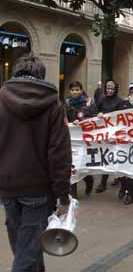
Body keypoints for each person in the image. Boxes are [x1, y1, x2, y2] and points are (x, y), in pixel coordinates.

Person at [0, 56, 72, 272]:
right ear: (41, 75)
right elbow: (59, 154)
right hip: (38, 190)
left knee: (25, 246)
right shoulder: (54, 106)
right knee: (27, 251)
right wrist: (62, 194)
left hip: (7, 186)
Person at [65, 81, 98, 199]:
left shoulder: (89, 102)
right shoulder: (67, 103)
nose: (75, 92)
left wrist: (82, 120)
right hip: (72, 139)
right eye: (72, 90)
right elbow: (63, 118)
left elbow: (94, 119)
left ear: (81, 90)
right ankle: (72, 193)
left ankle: (88, 180)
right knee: (72, 165)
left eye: (77, 89)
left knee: (82, 164)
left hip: (85, 139)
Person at [95, 79, 123, 193]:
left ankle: (122, 182)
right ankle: (103, 182)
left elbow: (122, 116)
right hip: (104, 133)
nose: (110, 91)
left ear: (115, 89)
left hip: (115, 134)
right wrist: (98, 114)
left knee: (117, 157)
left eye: (112, 89)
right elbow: (95, 111)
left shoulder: (119, 101)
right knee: (105, 157)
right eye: (108, 88)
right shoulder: (102, 100)